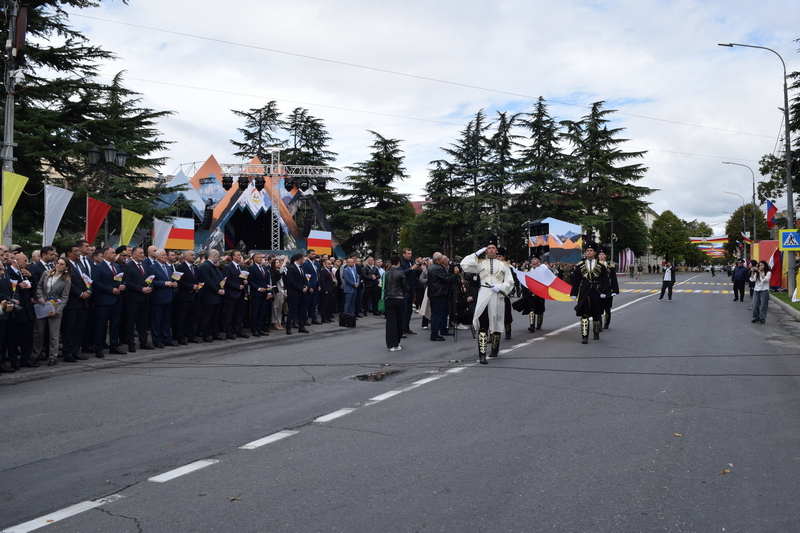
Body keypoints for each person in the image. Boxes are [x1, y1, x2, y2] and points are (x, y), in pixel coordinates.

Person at [461, 237, 514, 364]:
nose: (491, 250)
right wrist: (476, 254)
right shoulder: (479, 263)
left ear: (496, 250)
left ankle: (495, 349)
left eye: (493, 248)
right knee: (483, 323)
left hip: (497, 295)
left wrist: (500, 287)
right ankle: (482, 354)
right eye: (488, 248)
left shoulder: (504, 265)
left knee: (496, 322)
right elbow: (464, 265)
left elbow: (510, 281)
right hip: (484, 293)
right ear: (486, 250)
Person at [33, 258, 71, 366]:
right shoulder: (46, 274)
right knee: (38, 332)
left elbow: (65, 297)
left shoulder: (66, 279)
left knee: (54, 334)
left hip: (55, 307)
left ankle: (53, 357)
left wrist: (58, 311)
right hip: (43, 305)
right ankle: (36, 355)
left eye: (61, 264)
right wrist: (40, 297)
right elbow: (39, 286)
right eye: (57, 263)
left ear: (66, 267)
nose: (58, 265)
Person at [570, 242, 610, 344]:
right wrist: (574, 293)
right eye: (587, 250)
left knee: (596, 314)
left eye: (591, 250)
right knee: (584, 314)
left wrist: (605, 292)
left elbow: (605, 280)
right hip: (584, 292)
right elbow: (576, 280)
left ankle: (596, 332)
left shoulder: (601, 266)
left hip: (596, 291)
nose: (589, 252)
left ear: (595, 252)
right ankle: (584, 336)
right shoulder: (580, 266)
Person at [91, 246, 127, 358]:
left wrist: (123, 285)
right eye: (113, 253)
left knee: (115, 324)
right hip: (104, 301)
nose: (115, 254)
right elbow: (96, 283)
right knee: (101, 326)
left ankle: (114, 346)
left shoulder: (117, 266)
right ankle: (99, 347)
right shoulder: (98, 267)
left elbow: (123, 278)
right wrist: (110, 290)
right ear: (105, 255)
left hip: (117, 300)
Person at [123, 246, 155, 351]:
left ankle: (143, 342)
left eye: (143, 253)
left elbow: (150, 279)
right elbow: (128, 282)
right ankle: (131, 344)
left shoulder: (145, 266)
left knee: (143, 321)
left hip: (145, 298)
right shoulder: (128, 266)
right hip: (133, 298)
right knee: (131, 322)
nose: (142, 255)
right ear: (133, 255)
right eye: (140, 253)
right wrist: (141, 289)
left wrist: (150, 287)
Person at [427, 252, 460, 342]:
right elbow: (447, 279)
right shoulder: (437, 268)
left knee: (439, 313)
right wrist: (455, 274)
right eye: (442, 258)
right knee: (437, 315)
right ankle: (434, 334)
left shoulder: (434, 267)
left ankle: (442, 330)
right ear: (439, 259)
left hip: (437, 293)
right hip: (438, 294)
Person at [150, 249, 178, 347]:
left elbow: (172, 278)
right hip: (158, 297)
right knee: (157, 320)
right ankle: (157, 340)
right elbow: (151, 282)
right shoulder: (153, 267)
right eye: (163, 255)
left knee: (167, 319)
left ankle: (167, 338)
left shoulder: (169, 267)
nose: (165, 256)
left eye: (166, 255)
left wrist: (174, 283)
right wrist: (165, 283)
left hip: (169, 296)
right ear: (157, 257)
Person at [197, 249, 225, 342]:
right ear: (214, 256)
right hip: (209, 295)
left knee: (215, 316)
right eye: (218, 256)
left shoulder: (213, 266)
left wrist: (221, 289)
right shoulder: (205, 266)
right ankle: (205, 335)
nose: (219, 258)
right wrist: (217, 290)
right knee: (207, 316)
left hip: (216, 296)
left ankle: (215, 333)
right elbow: (208, 281)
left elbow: (219, 279)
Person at [174, 249, 200, 344]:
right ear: (185, 257)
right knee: (182, 318)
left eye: (194, 255)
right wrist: (190, 286)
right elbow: (178, 281)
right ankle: (181, 336)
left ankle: (191, 336)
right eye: (192, 255)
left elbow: (197, 279)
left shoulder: (195, 267)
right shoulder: (180, 267)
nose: (194, 256)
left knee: (192, 317)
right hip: (184, 297)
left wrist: (198, 285)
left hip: (194, 296)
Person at [383, 255, 408, 351]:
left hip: (388, 298)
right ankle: (397, 343)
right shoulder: (400, 273)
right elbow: (405, 286)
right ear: (399, 263)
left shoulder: (386, 273)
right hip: (399, 298)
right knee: (399, 321)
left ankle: (390, 344)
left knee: (390, 322)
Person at [223, 250, 249, 339]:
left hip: (241, 294)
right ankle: (229, 332)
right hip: (232, 294)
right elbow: (227, 281)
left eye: (240, 255)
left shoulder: (242, 267)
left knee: (239, 314)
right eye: (238, 255)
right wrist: (237, 286)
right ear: (233, 256)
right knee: (230, 314)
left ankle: (239, 331)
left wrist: (245, 281)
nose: (240, 256)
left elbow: (243, 278)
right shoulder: (228, 267)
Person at [248, 252, 272, 337]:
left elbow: (267, 281)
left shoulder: (264, 268)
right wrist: (258, 288)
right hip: (256, 294)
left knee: (262, 312)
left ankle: (260, 328)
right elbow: (250, 281)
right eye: (258, 257)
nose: (260, 258)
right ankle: (254, 330)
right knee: (255, 312)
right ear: (254, 259)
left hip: (264, 293)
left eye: (261, 257)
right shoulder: (251, 268)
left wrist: (269, 292)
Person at [400, 248, 423, 335]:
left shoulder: (411, 262)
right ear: (403, 254)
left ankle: (406, 327)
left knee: (409, 310)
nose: (410, 255)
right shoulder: (402, 263)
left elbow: (415, 274)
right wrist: (411, 268)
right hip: (405, 289)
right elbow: (401, 273)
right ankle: (402, 329)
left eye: (411, 253)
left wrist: (419, 269)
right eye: (408, 253)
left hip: (412, 288)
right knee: (405, 310)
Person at [285, 253, 309, 335]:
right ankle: (288, 328)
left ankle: (301, 327)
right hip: (294, 293)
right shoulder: (291, 268)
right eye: (303, 258)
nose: (304, 260)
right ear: (299, 259)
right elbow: (291, 281)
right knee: (291, 311)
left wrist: (306, 286)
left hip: (302, 293)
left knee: (302, 310)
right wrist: (300, 288)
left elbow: (304, 279)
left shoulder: (302, 268)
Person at [597, 248, 619, 329]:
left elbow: (613, 279)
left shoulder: (610, 267)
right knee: (598, 307)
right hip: (598, 289)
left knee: (607, 307)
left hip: (608, 289)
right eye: (600, 254)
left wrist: (614, 290)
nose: (601, 256)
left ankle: (607, 323)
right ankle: (598, 324)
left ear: (605, 256)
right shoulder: (595, 266)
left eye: (603, 254)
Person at [496, 247, 514, 339]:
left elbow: (510, 280)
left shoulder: (507, 267)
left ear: (503, 257)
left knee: (506, 313)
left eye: (499, 256)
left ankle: (508, 331)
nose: (497, 258)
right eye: (496, 256)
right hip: (494, 293)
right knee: (493, 314)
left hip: (504, 292)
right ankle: (493, 334)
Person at [270, 257, 286, 330]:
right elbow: (276, 278)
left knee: (280, 307)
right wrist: (284, 263)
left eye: (279, 262)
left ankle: (279, 321)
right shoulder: (273, 271)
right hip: (276, 290)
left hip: (282, 290)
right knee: (275, 307)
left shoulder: (281, 272)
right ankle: (275, 321)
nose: (279, 263)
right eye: (277, 262)